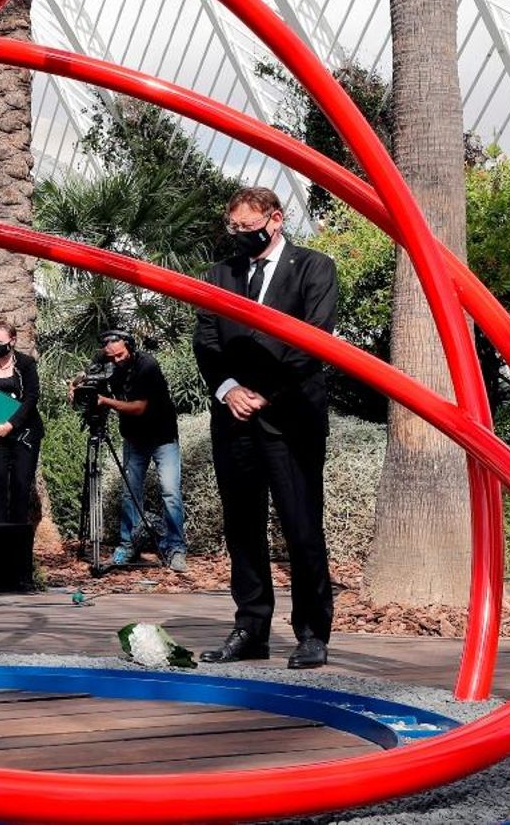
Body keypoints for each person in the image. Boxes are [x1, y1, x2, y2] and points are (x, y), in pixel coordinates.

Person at [193, 186, 338, 670]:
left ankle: (312, 633)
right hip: (234, 421)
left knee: (301, 527)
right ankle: (251, 628)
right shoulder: (220, 275)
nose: (239, 236)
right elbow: (207, 342)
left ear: (275, 219)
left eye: (246, 227)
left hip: (289, 417)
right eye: (232, 228)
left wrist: (266, 393)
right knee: (243, 527)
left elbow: (314, 341)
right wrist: (230, 388)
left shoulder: (314, 267)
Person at [78, 329, 187, 572]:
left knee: (170, 492)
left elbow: (139, 408)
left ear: (130, 347)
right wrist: (76, 386)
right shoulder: (106, 362)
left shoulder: (147, 365)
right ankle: (128, 545)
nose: (116, 360)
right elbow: (87, 377)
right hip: (134, 438)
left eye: (120, 355)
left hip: (162, 437)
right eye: (112, 357)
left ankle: (176, 548)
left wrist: (105, 402)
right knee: (130, 493)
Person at [0, 321, 42, 525]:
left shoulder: (26, 363)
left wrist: (11, 425)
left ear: (12, 341)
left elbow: (32, 397)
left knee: (21, 487)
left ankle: (18, 543)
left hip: (24, 433)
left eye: (0, 341)